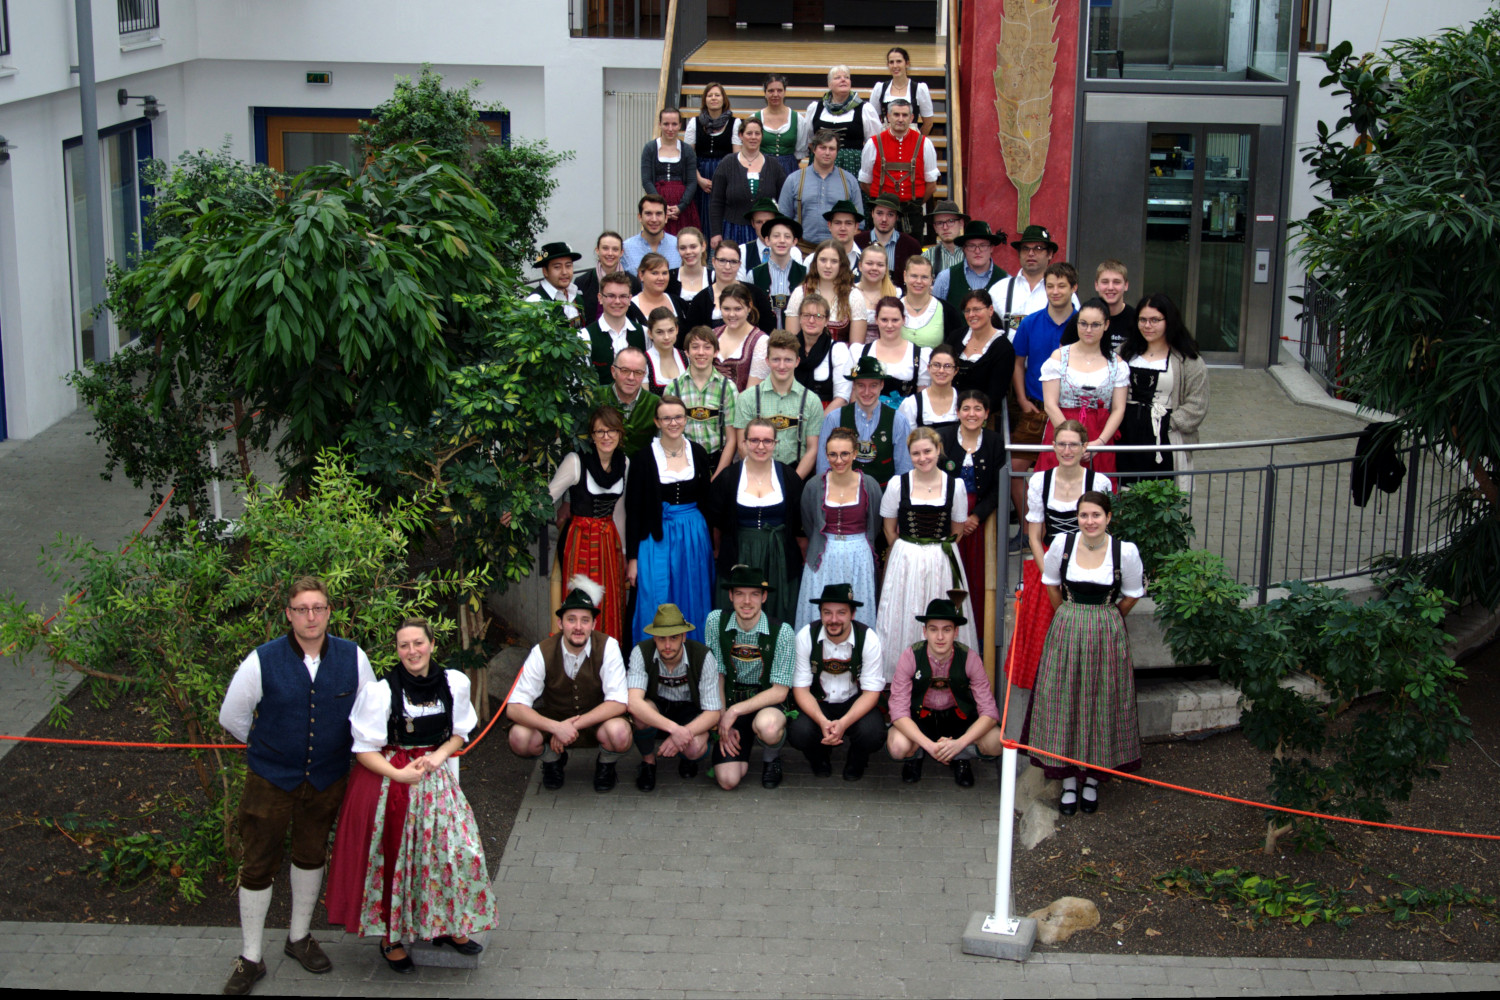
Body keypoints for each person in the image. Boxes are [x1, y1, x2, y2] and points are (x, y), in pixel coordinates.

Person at [218, 577, 377, 995]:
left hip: (326, 778)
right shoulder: (262, 660)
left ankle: (298, 938)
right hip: (270, 780)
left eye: (318, 608)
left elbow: (367, 715)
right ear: (288, 614)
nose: (311, 616)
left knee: (310, 855)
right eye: (302, 609)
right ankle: (250, 957)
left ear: (329, 612)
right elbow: (233, 717)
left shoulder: (353, 657)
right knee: (258, 863)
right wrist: (268, 750)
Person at [325, 619, 494, 972]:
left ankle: (446, 926)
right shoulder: (382, 691)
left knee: (450, 852)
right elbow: (363, 749)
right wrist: (399, 773)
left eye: (418, 643)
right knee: (397, 859)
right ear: (397, 650)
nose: (412, 651)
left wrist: (439, 755)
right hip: (396, 783)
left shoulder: (454, 682)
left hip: (436, 780)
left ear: (432, 644)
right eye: (404, 646)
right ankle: (392, 938)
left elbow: (460, 731)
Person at [1024, 491, 1145, 815]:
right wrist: (1069, 614)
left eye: (1096, 515)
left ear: (1108, 518)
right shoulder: (1062, 547)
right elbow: (1051, 584)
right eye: (1084, 515)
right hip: (1067, 626)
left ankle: (1091, 778)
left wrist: (1106, 616)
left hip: (1106, 630)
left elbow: (1132, 594)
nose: (1089, 521)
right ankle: (1067, 780)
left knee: (1101, 701)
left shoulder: (1125, 552)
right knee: (1065, 700)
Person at [1009, 421, 1113, 691]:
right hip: (1049, 562)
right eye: (1062, 444)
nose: (1068, 450)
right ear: (1054, 447)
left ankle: (1082, 685)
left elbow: (1100, 531)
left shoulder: (1098, 482)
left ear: (1084, 447)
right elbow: (1034, 536)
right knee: (1043, 630)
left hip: (1087, 560)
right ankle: (1047, 688)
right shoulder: (1041, 481)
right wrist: (1050, 575)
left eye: (1074, 444)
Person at [507, 577, 633, 792]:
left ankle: (606, 764)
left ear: (593, 624)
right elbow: (514, 707)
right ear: (560, 623)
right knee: (519, 738)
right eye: (571, 619)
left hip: (596, 722)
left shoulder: (608, 647)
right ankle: (552, 759)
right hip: (554, 720)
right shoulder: (542, 651)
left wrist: (571, 726)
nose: (578, 627)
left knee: (620, 733)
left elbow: (618, 702)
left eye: (585, 620)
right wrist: (555, 727)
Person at [876, 426, 978, 679]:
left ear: (938, 450)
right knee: (904, 614)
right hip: (906, 558)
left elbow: (957, 531)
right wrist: (908, 551)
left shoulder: (955, 486)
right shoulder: (898, 484)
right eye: (916, 453)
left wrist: (933, 552)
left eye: (927, 452)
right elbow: (889, 529)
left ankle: (945, 677)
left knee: (941, 611)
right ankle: (901, 678)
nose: (922, 458)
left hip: (941, 559)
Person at [625, 395, 715, 646]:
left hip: (693, 535)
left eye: (678, 417)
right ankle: (651, 664)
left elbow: (706, 500)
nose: (673, 422)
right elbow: (634, 510)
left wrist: (710, 545)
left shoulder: (697, 452)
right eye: (666, 418)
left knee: (692, 595)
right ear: (657, 421)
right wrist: (632, 558)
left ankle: (693, 661)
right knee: (654, 595)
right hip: (655, 536)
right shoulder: (643, 458)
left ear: (685, 420)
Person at [886, 598, 1004, 786]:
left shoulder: (970, 658)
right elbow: (898, 713)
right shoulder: (910, 656)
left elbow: (989, 713)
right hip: (920, 719)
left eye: (946, 629)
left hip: (958, 721)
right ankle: (916, 755)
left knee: (997, 741)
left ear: (956, 632)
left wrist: (960, 743)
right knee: (897, 746)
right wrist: (930, 746)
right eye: (933, 629)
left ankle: (959, 757)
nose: (940, 637)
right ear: (924, 631)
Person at [706, 565, 797, 790]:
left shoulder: (782, 631)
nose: (747, 601)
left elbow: (780, 690)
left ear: (764, 597)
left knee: (768, 727)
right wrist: (723, 715)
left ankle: (771, 760)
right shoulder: (715, 621)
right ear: (730, 595)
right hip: (729, 702)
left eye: (754, 594)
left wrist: (736, 711)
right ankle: (738, 748)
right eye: (740, 593)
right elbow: (716, 672)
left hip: (766, 702)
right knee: (728, 781)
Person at [1009, 261, 1080, 547]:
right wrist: (1023, 399)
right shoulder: (1030, 322)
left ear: (1073, 288)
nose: (1055, 291)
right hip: (1036, 409)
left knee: (1069, 468)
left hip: (1070, 410)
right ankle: (1027, 530)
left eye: (1062, 286)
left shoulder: (1082, 323)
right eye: (1050, 285)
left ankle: (1068, 530)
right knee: (1015, 468)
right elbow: (1018, 362)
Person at [787, 583, 887, 780]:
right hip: (818, 702)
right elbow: (801, 690)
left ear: (853, 614)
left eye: (841, 613)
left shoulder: (868, 639)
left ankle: (858, 758)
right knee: (799, 732)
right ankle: (818, 756)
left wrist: (843, 723)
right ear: (821, 614)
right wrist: (822, 721)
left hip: (854, 702)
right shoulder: (805, 636)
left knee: (873, 733)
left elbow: (871, 693)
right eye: (827, 613)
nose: (833, 620)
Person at [712, 416, 806, 623]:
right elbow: (717, 525)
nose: (760, 446)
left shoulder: (789, 477)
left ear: (775, 443)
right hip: (739, 554)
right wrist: (720, 553)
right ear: (744, 442)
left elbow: (799, 529)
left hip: (778, 556)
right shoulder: (728, 478)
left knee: (777, 614)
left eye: (767, 441)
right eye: (754, 440)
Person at [548, 405, 630, 644]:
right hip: (580, 540)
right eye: (600, 432)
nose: (606, 437)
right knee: (580, 601)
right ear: (591, 436)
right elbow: (549, 495)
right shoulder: (576, 461)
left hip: (608, 541)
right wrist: (517, 510)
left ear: (620, 434)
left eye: (612, 431)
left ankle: (605, 659)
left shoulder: (624, 463)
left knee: (610, 601)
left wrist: (624, 552)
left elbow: (620, 512)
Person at [626, 604, 723, 791]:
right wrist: (674, 730)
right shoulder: (641, 651)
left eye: (674, 637)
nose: (668, 645)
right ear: (654, 637)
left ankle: (687, 758)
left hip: (689, 710)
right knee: (639, 714)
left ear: (684, 637)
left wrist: (683, 733)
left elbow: (713, 712)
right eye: (661, 638)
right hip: (657, 708)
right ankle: (648, 761)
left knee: (694, 748)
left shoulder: (703, 656)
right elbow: (633, 702)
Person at [1115, 292, 1209, 481]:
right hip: (1126, 434)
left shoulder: (1188, 360)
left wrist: (1170, 424)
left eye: (1155, 320)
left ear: (1169, 321)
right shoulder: (1123, 353)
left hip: (1164, 436)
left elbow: (1197, 404)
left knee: (1161, 496)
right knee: (1124, 493)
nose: (1147, 326)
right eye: (1143, 320)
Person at [796, 428, 883, 631]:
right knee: (821, 609)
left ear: (854, 454)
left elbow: (875, 524)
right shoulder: (813, 486)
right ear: (826, 456)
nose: (839, 460)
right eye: (833, 454)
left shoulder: (869, 485)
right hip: (823, 555)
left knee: (856, 610)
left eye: (845, 454)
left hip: (858, 557)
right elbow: (810, 525)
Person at [940, 391, 1009, 644]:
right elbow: (936, 479)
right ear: (957, 412)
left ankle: (974, 638)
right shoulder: (945, 438)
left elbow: (997, 486)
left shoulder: (994, 441)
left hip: (979, 521)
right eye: (966, 408)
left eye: (978, 408)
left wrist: (976, 517)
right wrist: (955, 518)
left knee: (977, 579)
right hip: (947, 519)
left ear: (987, 414)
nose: (972, 414)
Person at [1036, 297, 1128, 475]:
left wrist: (1099, 443)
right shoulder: (1058, 357)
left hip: (1099, 432)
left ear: (1106, 325)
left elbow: (1118, 409)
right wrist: (1069, 441)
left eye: (1095, 325)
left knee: (1097, 493)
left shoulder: (1117, 363)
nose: (1088, 330)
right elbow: (1050, 404)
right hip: (1062, 426)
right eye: (1083, 324)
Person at [734, 333, 825, 480]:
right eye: (776, 359)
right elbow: (742, 445)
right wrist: (762, 478)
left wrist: (792, 483)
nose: (782, 366)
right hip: (756, 475)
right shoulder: (747, 398)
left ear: (797, 361)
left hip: (797, 475)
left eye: (788, 360)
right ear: (767, 361)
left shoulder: (812, 401)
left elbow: (812, 450)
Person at [816, 352, 914, 487]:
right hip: (843, 496)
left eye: (873, 385)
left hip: (884, 497)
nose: (867, 392)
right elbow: (823, 469)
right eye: (861, 385)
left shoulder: (898, 421)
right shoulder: (834, 419)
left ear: (882, 385)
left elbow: (904, 472)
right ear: (854, 386)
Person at [666, 325, 739, 480]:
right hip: (683, 462)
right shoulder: (674, 388)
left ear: (716, 352)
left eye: (707, 347)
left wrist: (718, 476)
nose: (701, 352)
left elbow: (732, 439)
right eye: (695, 347)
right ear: (686, 352)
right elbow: (667, 435)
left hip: (718, 462)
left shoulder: (728, 388)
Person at [857, 102, 939, 238]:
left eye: (904, 115)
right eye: (896, 114)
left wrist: (913, 204)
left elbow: (931, 185)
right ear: (888, 116)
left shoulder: (925, 143)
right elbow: (865, 183)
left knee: (912, 257)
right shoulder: (873, 143)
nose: (900, 119)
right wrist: (882, 205)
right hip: (882, 215)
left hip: (912, 215)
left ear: (911, 118)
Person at [710, 118, 788, 249]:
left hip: (766, 233)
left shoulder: (774, 165)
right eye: (749, 133)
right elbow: (716, 201)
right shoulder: (727, 163)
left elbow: (784, 201)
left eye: (757, 133)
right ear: (741, 135)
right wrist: (716, 233)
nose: (753, 137)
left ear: (762, 136)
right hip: (734, 230)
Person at [777, 130, 863, 246]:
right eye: (823, 148)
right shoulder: (793, 179)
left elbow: (859, 224)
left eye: (832, 149)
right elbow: (783, 220)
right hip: (803, 249)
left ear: (837, 152)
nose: (827, 153)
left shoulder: (849, 181)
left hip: (838, 251)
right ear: (814, 149)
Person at [989, 224, 1076, 336]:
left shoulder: (1065, 292)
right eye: (1025, 248)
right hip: (1009, 353)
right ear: (1019, 254)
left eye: (1038, 248)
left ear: (1050, 254)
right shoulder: (999, 290)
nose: (1031, 253)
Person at [683, 241, 777, 338]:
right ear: (714, 262)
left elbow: (768, 332)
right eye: (722, 260)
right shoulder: (700, 300)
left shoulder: (756, 294)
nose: (727, 267)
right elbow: (692, 337)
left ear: (739, 264)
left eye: (733, 262)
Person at [850, 296, 929, 407]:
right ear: (876, 319)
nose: (889, 325)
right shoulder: (860, 352)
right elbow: (854, 395)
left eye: (895, 320)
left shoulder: (919, 355)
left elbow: (921, 400)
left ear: (904, 320)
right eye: (884, 320)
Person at [787, 240, 866, 345]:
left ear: (841, 265)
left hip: (841, 360)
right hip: (805, 360)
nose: (828, 266)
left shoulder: (854, 296)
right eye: (823, 260)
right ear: (815, 263)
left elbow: (856, 348)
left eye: (834, 261)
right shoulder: (800, 293)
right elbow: (791, 343)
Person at [686, 82, 741, 233]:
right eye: (710, 95)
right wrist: (699, 180)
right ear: (705, 100)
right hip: (700, 176)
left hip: (725, 174)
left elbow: (736, 156)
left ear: (724, 99)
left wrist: (724, 180)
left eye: (717, 95)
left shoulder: (735, 123)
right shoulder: (694, 123)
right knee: (702, 219)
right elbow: (689, 157)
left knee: (721, 219)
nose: (713, 98)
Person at [954, 288, 1017, 412]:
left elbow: (995, 395)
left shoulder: (1003, 348)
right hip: (948, 409)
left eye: (977, 309)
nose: (971, 314)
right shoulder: (956, 337)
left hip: (981, 414)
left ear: (990, 310)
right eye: (967, 310)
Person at [589, 345, 659, 457]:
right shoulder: (594, 397)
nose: (631, 377)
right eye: (625, 371)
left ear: (644, 375)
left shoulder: (655, 404)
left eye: (638, 372)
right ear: (613, 371)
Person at [640, 107, 699, 236]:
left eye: (674, 124)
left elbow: (692, 182)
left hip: (683, 207)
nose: (670, 129)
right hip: (656, 205)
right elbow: (646, 180)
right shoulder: (650, 148)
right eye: (666, 124)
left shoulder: (687, 150)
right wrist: (660, 205)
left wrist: (681, 207)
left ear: (680, 125)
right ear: (660, 124)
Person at [798, 66, 868, 173]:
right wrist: (824, 152)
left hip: (852, 165)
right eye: (837, 78)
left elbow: (872, 143)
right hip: (820, 164)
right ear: (829, 84)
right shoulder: (816, 108)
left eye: (846, 77)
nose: (843, 79)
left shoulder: (864, 109)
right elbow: (810, 140)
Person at [790, 291, 853, 408]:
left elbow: (842, 398)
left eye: (818, 316)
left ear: (827, 320)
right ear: (799, 317)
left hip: (825, 416)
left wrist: (819, 422)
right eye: (807, 315)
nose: (811, 321)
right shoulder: (789, 347)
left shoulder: (837, 350)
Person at [1062, 259, 1135, 355]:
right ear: (1096, 285)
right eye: (1105, 282)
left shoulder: (1136, 319)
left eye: (1116, 282)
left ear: (1126, 285)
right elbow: (1063, 356)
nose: (1110, 287)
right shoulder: (1081, 318)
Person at [707, 282, 769, 392]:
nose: (731, 314)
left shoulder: (761, 342)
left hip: (742, 407)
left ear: (749, 307)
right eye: (726, 309)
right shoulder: (712, 334)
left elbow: (752, 394)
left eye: (737, 309)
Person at [749, 214, 807, 329]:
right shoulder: (754, 274)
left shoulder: (805, 274)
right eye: (776, 236)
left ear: (794, 241)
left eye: (787, 237)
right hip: (764, 338)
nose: (781, 241)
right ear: (767, 240)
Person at [934, 220, 1006, 311]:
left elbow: (1015, 319)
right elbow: (933, 315)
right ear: (964, 248)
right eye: (971, 246)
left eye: (983, 245)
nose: (977, 251)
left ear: (991, 248)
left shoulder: (1006, 281)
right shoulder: (945, 278)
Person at [854, 193, 923, 287]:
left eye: (890, 214)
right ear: (872, 213)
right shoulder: (857, 242)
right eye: (879, 213)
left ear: (897, 217)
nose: (884, 219)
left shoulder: (911, 245)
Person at [575, 231, 640, 326]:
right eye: (605, 248)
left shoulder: (633, 282)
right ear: (597, 250)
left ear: (621, 253)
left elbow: (635, 316)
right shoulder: (582, 282)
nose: (610, 253)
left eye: (615, 249)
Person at [867, 46, 935, 137]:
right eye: (891, 62)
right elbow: (873, 121)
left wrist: (918, 142)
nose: (895, 66)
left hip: (911, 141)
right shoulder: (880, 88)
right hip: (886, 141)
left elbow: (928, 123)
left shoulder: (919, 89)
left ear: (907, 63)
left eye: (899, 61)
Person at [898, 342, 961, 431]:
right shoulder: (912, 404)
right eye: (936, 365)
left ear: (956, 370)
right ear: (928, 367)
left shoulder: (963, 401)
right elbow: (905, 440)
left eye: (947, 366)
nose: (941, 370)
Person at [899, 255, 956, 348]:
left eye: (924, 277)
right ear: (905, 276)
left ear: (931, 279)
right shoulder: (893, 308)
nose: (918, 281)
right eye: (914, 276)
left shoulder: (947, 310)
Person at [752, 73, 802, 176]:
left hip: (790, 168)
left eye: (779, 90)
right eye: (771, 91)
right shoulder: (754, 118)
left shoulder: (797, 118)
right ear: (765, 93)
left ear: (785, 92)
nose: (775, 94)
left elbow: (800, 152)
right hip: (762, 167)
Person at [526, 241, 584, 327]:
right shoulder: (536, 301)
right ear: (545, 271)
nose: (564, 272)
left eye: (568, 266)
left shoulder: (576, 297)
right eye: (557, 267)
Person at [622, 194, 681, 275]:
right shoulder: (626, 249)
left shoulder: (679, 246)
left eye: (658, 214)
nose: (654, 219)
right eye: (648, 214)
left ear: (666, 218)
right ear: (640, 217)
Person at [627, 253, 685, 329]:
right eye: (655, 273)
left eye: (664, 273)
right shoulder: (629, 307)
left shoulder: (679, 303)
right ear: (641, 275)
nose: (661, 278)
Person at [854, 242, 899, 328]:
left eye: (880, 265)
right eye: (869, 263)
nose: (874, 268)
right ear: (860, 266)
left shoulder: (896, 294)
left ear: (886, 268)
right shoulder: (849, 292)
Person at [642, 306, 686, 394]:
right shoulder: (643, 361)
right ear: (650, 333)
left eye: (670, 331)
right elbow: (645, 400)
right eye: (660, 332)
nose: (666, 337)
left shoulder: (686, 357)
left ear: (677, 329)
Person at [922, 200, 968, 275]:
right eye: (940, 223)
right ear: (935, 227)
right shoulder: (927, 257)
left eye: (950, 221)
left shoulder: (974, 254)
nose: (945, 227)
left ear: (961, 223)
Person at [669, 227, 712, 303]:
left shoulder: (713, 278)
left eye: (693, 247)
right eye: (683, 248)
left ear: (703, 246)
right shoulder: (670, 277)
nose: (688, 252)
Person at [823, 198, 864, 269]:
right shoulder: (813, 259)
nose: (843, 228)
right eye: (837, 223)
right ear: (829, 225)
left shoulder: (867, 260)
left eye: (848, 223)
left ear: (856, 227)